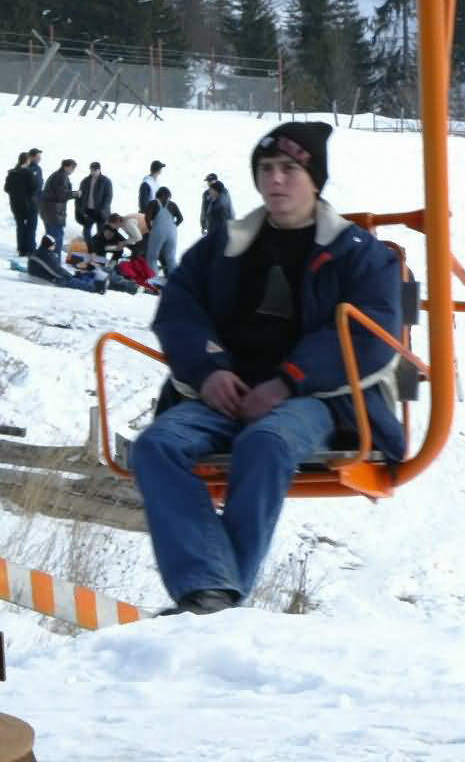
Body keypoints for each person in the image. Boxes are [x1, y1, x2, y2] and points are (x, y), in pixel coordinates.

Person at [129, 120, 404, 615]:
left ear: (315, 179)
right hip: (226, 392)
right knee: (156, 446)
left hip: (317, 400)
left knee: (266, 442)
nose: (276, 181)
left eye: (289, 169)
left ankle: (210, 592)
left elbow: (372, 335)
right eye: (266, 169)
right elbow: (180, 310)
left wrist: (289, 380)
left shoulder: (359, 254)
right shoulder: (224, 246)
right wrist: (210, 370)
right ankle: (212, 591)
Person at [5, 149, 39, 258]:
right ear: (27, 161)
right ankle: (30, 250)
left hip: (16, 205)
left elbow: (6, 188)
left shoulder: (12, 173)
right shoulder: (29, 172)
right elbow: (34, 188)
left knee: (20, 227)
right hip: (29, 205)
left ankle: (21, 250)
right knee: (31, 227)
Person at [39, 157, 75, 257]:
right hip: (54, 212)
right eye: (72, 168)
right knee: (56, 237)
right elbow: (62, 195)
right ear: (67, 167)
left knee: (50, 236)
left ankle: (45, 258)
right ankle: (54, 259)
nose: (73, 171)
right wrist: (75, 194)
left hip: (49, 211)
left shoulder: (57, 175)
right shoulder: (61, 177)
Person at [76, 161, 113, 254]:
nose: (93, 172)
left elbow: (108, 197)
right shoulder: (85, 181)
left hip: (101, 213)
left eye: (95, 170)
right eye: (92, 170)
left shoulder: (106, 181)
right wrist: (81, 210)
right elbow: (80, 196)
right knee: (86, 232)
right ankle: (90, 250)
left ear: (99, 170)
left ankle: (101, 254)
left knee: (101, 234)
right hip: (89, 211)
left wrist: (103, 209)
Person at [144, 186, 182, 274]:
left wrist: (150, 229)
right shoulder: (173, 204)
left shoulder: (153, 203)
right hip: (172, 232)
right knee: (171, 257)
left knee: (152, 257)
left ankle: (154, 280)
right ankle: (174, 280)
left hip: (158, 230)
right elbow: (180, 218)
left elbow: (147, 218)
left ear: (158, 194)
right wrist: (173, 227)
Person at [198, 173, 234, 244]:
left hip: (223, 225)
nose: (208, 183)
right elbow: (203, 209)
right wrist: (203, 224)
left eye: (210, 181)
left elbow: (229, 207)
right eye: (208, 181)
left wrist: (231, 223)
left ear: (215, 180)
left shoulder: (224, 192)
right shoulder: (206, 194)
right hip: (210, 224)